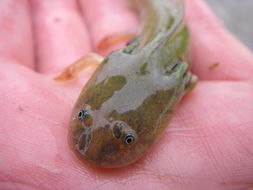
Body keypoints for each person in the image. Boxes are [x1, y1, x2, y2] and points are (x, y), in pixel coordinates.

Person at [0, 0, 253, 189]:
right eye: (84, 114)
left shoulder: (174, 81)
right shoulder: (124, 60)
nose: (87, 145)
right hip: (147, 35)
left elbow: (191, 80)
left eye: (129, 139)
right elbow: (93, 59)